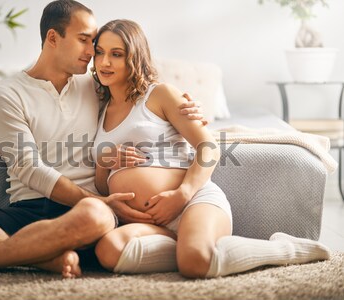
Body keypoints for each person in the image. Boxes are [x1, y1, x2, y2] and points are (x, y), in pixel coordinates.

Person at [0, 1, 203, 277]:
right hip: (30, 208)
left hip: (85, 214)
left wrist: (187, 106)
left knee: (96, 215)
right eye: (85, 41)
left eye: (94, 44)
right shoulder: (5, 94)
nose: (93, 54)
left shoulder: (95, 85)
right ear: (53, 38)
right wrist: (100, 201)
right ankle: (46, 260)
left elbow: (141, 90)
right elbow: (29, 169)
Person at [89, 19, 331, 278]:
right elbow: (105, 187)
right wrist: (104, 163)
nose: (104, 62)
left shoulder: (159, 95)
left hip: (192, 202)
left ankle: (285, 249)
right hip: (151, 222)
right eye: (100, 52)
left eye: (116, 54)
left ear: (134, 56)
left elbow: (209, 147)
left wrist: (182, 193)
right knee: (108, 250)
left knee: (195, 264)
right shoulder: (100, 110)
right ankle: (190, 246)